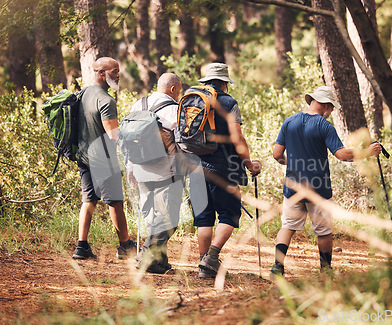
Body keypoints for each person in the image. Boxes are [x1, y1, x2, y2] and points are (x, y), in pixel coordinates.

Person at [271, 86, 382, 275]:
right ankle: (326, 271)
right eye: (331, 108)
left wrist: (293, 164)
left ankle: (277, 267)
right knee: (323, 231)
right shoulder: (324, 126)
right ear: (325, 105)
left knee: (288, 226)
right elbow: (341, 155)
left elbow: (276, 154)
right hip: (318, 187)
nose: (330, 112)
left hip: (293, 185)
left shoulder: (289, 122)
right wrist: (367, 153)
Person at [194, 63, 262, 279]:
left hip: (195, 167)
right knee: (229, 213)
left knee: (204, 219)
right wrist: (249, 163)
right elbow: (237, 137)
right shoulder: (229, 102)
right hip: (224, 167)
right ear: (225, 82)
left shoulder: (193, 100)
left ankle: (204, 265)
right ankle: (211, 258)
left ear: (206, 82)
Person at [72, 57, 136, 260]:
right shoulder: (106, 101)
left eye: (118, 70)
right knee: (115, 202)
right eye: (114, 71)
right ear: (101, 73)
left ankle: (81, 246)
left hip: (83, 156)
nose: (118, 75)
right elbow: (114, 135)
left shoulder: (83, 93)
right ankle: (125, 246)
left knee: (88, 199)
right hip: (103, 159)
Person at [127, 73, 184, 274]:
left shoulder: (138, 104)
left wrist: (130, 168)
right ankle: (146, 256)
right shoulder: (175, 110)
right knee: (169, 217)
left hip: (141, 168)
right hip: (165, 170)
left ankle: (160, 262)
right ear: (173, 89)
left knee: (152, 217)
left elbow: (129, 137)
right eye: (180, 90)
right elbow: (182, 142)